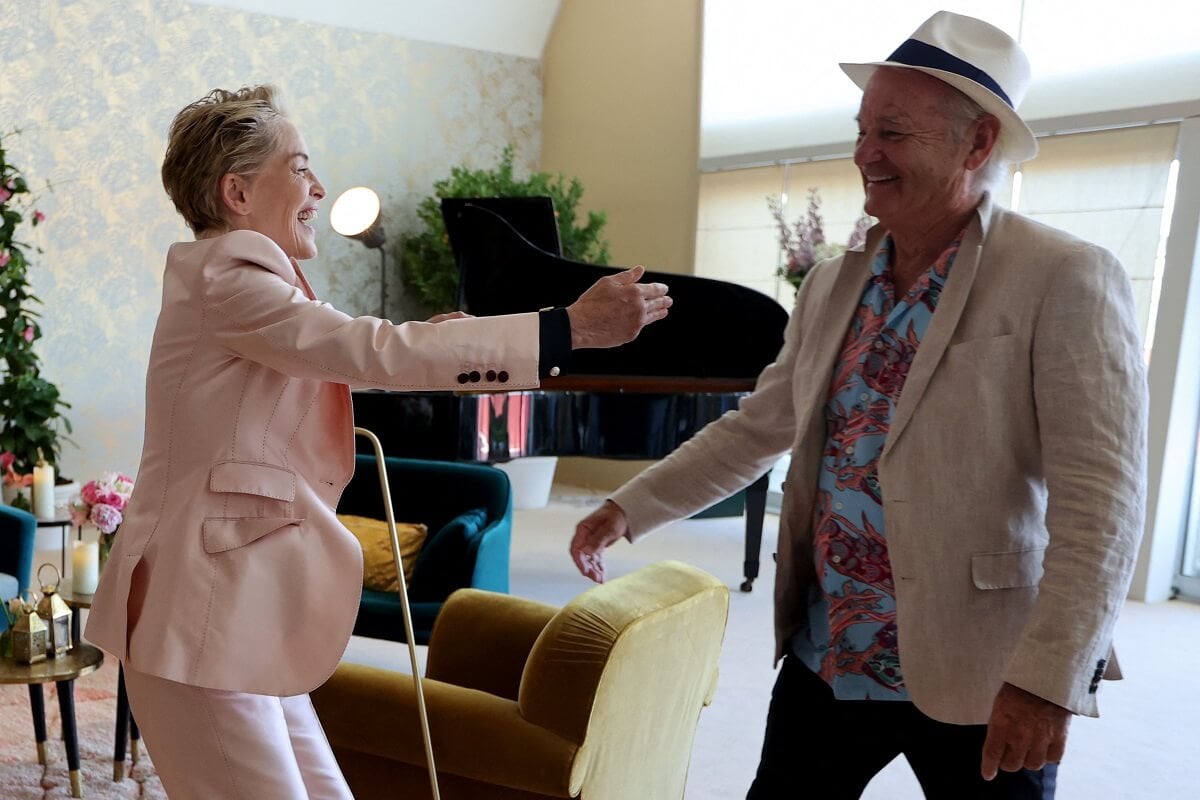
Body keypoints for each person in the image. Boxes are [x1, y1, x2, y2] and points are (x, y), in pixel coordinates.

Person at [570, 11, 1147, 800]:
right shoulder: (833, 284)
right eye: (863, 128)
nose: (864, 153)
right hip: (830, 650)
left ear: (977, 144)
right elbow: (759, 428)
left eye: (894, 132)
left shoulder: (1065, 276)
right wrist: (628, 507)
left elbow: (1103, 504)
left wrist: (1050, 680)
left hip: (982, 670)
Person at [84, 84, 671, 799]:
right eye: (299, 168)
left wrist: (449, 338)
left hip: (237, 612)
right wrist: (564, 329)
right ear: (237, 191)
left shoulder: (252, 287)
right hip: (197, 624)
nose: (319, 187)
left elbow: (358, 356)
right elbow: (373, 349)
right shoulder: (228, 279)